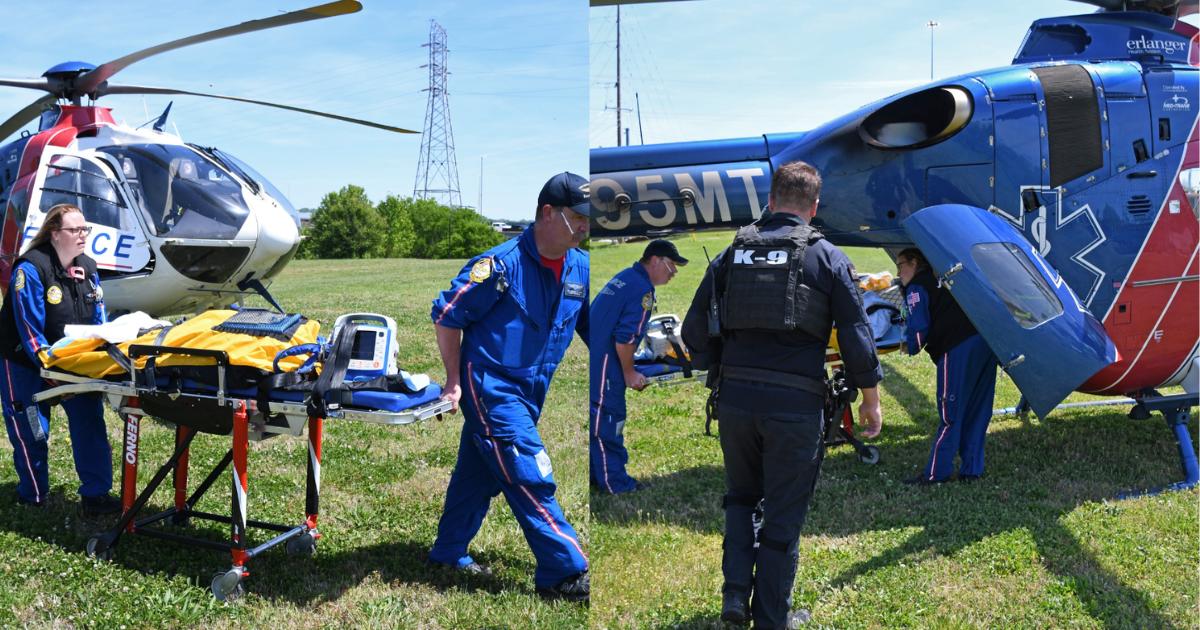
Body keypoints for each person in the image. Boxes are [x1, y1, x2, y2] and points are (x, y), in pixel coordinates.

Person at [682, 161, 883, 629]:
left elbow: (694, 330)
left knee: (740, 497)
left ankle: (735, 596)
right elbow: (856, 334)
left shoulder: (733, 252)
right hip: (794, 407)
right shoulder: (827, 256)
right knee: (782, 514)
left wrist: (724, 363)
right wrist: (870, 399)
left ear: (770, 202)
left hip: (734, 402)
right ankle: (772, 617)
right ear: (814, 208)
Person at [427, 172, 591, 601]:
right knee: (527, 470)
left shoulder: (581, 267)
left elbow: (597, 330)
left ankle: (447, 552)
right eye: (579, 218)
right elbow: (447, 315)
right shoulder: (500, 266)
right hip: (491, 387)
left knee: (480, 472)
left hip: (532, 391)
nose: (586, 228)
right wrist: (452, 381)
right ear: (547, 214)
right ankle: (564, 571)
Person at [0, 203, 119, 515]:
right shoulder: (30, 270)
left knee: (90, 424)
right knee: (32, 430)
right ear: (54, 234)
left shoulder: (89, 269)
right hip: (24, 361)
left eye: (85, 229)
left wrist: (94, 364)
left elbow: (99, 323)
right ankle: (33, 496)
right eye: (75, 230)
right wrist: (50, 370)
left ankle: (96, 497)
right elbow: (29, 330)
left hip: (72, 363)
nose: (83, 235)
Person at [589, 239, 687, 494]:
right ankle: (614, 484)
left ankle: (596, 474)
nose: (674, 273)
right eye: (672, 266)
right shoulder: (642, 289)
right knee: (609, 420)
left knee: (597, 419)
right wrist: (630, 372)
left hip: (598, 357)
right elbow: (625, 339)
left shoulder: (626, 277)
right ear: (655, 260)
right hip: (606, 366)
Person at [896, 247, 998, 484]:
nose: (898, 272)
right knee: (978, 409)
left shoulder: (916, 287)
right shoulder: (942, 279)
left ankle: (935, 474)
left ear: (914, 263)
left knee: (950, 412)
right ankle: (972, 470)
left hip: (956, 347)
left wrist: (908, 345)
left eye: (901, 265)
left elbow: (919, 332)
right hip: (984, 342)